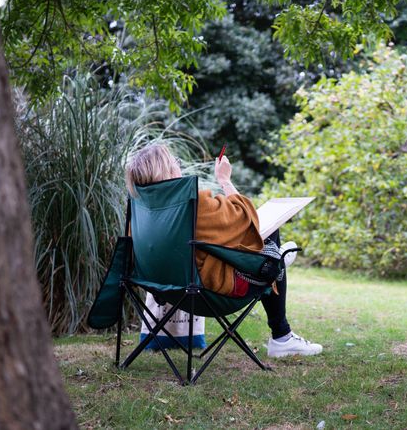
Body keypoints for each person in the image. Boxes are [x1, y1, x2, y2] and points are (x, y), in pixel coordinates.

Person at [124, 144, 322, 357]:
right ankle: (281, 328)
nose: (179, 167)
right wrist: (225, 179)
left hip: (168, 291)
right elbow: (248, 220)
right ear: (168, 171)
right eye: (175, 163)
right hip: (210, 293)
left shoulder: (139, 209)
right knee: (269, 233)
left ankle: (275, 260)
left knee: (228, 241)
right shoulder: (193, 204)